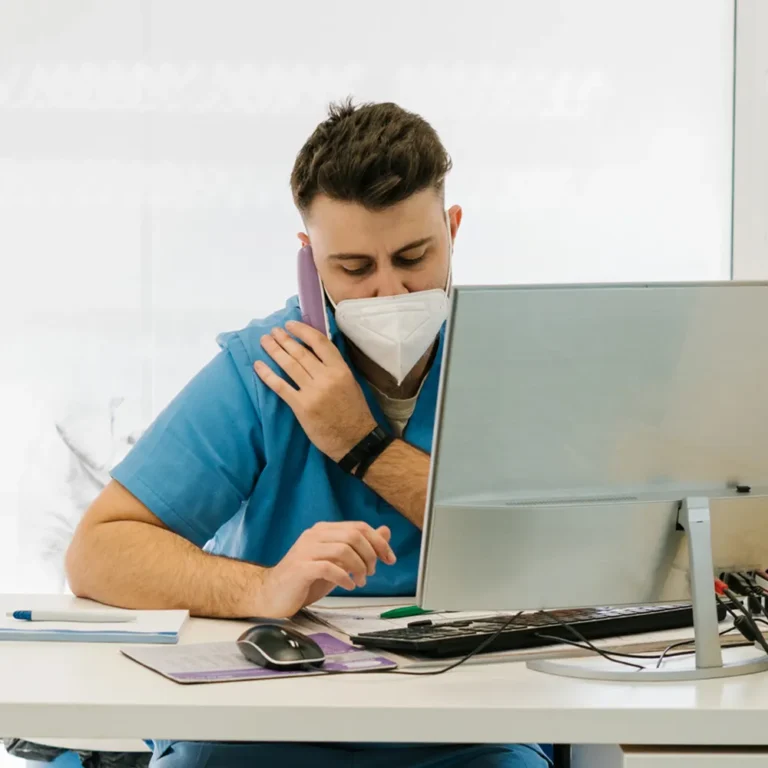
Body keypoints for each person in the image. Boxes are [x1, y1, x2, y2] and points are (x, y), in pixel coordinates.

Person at [66, 100, 550, 768]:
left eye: (414, 256)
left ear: (453, 228)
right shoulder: (265, 368)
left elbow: (550, 558)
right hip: (264, 722)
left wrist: (362, 444)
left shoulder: (512, 366)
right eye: (354, 268)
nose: (389, 292)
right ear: (310, 260)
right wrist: (260, 590)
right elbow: (99, 552)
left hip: (464, 726)